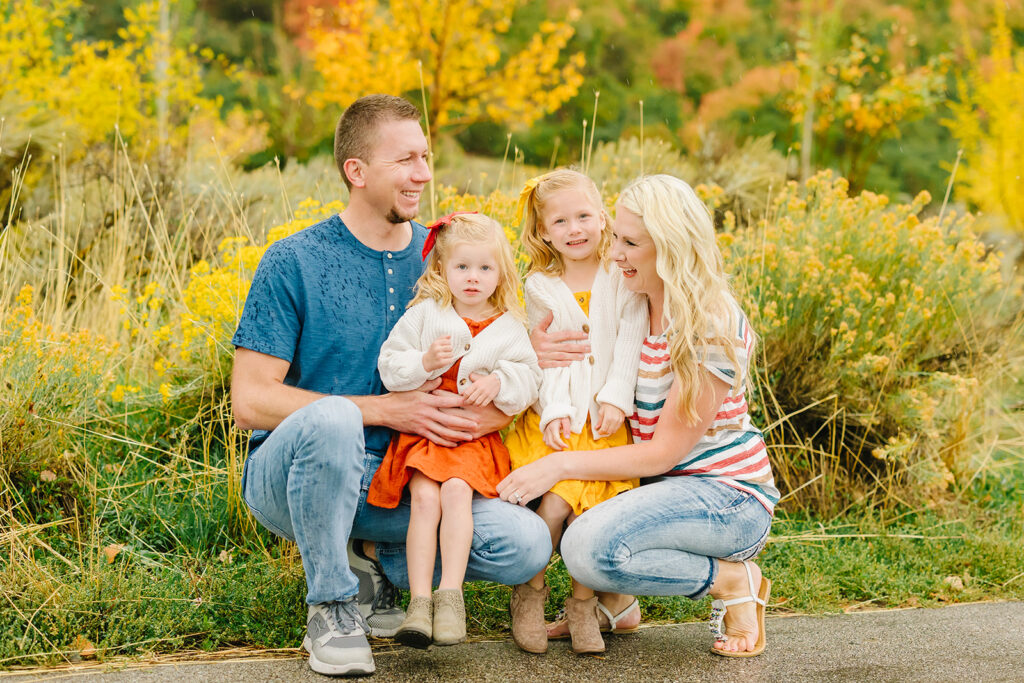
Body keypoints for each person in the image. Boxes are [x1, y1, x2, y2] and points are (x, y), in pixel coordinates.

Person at [230, 94, 551, 677]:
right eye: (405, 160)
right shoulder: (294, 261)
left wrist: (496, 401)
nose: (424, 174)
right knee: (334, 419)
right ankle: (332, 604)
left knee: (525, 543)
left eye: (425, 157)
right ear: (357, 171)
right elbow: (250, 402)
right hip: (301, 477)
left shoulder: (450, 256)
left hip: (411, 476)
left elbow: (507, 353)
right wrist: (387, 409)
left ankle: (381, 567)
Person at [498, 174, 779, 658]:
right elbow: (575, 338)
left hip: (725, 497)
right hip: (662, 487)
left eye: (629, 243)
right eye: (617, 239)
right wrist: (534, 350)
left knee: (587, 550)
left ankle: (734, 580)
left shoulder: (709, 322)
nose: (613, 253)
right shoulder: (628, 297)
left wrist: (559, 465)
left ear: (669, 247)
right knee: (583, 537)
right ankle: (616, 605)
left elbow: (664, 452)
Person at [367, 212, 541, 648]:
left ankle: (451, 597)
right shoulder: (427, 314)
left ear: (500, 273)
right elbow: (390, 364)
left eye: (485, 268)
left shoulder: (508, 325)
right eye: (462, 267)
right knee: (425, 498)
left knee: (456, 494)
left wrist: (499, 382)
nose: (473, 278)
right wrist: (424, 363)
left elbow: (529, 376)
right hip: (426, 433)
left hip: (470, 437)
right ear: (442, 269)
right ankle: (419, 605)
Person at [503, 169, 647, 655]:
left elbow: (630, 340)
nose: (575, 229)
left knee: (597, 513)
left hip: (606, 418)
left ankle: (583, 602)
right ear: (544, 231)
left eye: (583, 215)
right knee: (558, 503)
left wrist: (614, 399)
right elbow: (551, 361)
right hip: (560, 419)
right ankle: (530, 593)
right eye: (560, 221)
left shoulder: (619, 273)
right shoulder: (542, 284)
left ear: (602, 216)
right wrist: (556, 410)